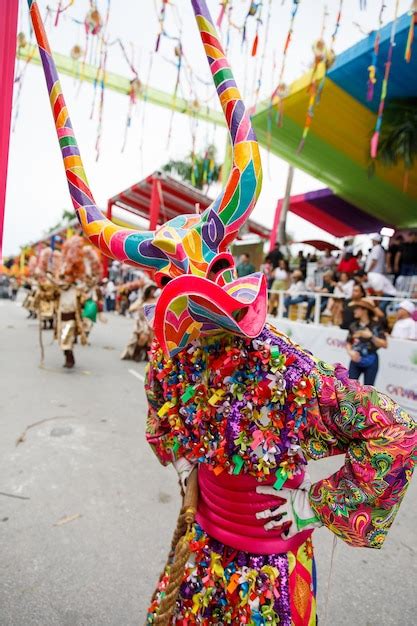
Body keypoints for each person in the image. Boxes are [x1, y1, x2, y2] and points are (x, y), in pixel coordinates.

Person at [30, 1, 416, 623]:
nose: (194, 324)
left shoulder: (282, 370)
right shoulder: (172, 362)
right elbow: (170, 439)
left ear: (226, 282)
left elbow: (394, 430)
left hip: (271, 577)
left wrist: (314, 506)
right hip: (201, 557)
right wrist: (198, 487)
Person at [346, 297, 388, 385]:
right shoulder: (353, 325)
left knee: (369, 390)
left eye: (357, 308)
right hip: (355, 359)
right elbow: (348, 342)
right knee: (349, 387)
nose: (354, 311)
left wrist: (371, 337)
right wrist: (350, 352)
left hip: (371, 360)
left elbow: (385, 344)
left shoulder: (376, 326)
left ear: (364, 310)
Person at [121, 284, 160, 361]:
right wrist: (139, 307)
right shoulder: (142, 300)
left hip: (153, 323)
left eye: (154, 290)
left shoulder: (157, 300)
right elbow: (131, 309)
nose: (153, 292)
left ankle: (147, 356)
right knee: (143, 337)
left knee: (151, 340)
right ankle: (136, 353)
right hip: (143, 323)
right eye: (151, 290)